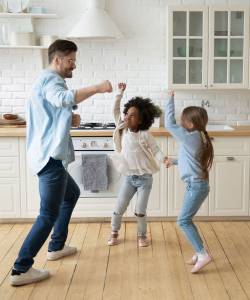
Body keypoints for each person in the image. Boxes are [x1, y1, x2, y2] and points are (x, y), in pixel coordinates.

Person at [10, 39, 113, 286]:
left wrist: (70, 119)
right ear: (58, 59)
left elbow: (55, 108)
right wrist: (98, 87)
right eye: (71, 61)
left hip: (48, 155)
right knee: (47, 213)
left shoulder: (46, 81)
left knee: (71, 194)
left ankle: (56, 246)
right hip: (49, 157)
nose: (73, 66)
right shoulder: (50, 80)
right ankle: (20, 268)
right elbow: (63, 98)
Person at [108, 83, 167, 247]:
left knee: (140, 211)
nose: (127, 117)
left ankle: (142, 236)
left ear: (141, 120)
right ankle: (114, 232)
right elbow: (115, 111)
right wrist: (119, 93)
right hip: (129, 178)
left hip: (145, 179)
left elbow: (156, 151)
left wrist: (164, 159)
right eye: (126, 113)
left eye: (132, 115)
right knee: (119, 207)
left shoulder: (145, 135)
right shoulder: (122, 129)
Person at [164, 90, 214, 273]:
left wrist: (169, 98)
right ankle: (198, 251)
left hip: (196, 186)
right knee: (187, 220)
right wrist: (174, 161)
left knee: (183, 221)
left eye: (183, 120)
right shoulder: (198, 136)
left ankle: (202, 254)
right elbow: (191, 160)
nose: (180, 123)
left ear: (190, 124)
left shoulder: (191, 136)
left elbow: (169, 123)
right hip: (197, 185)